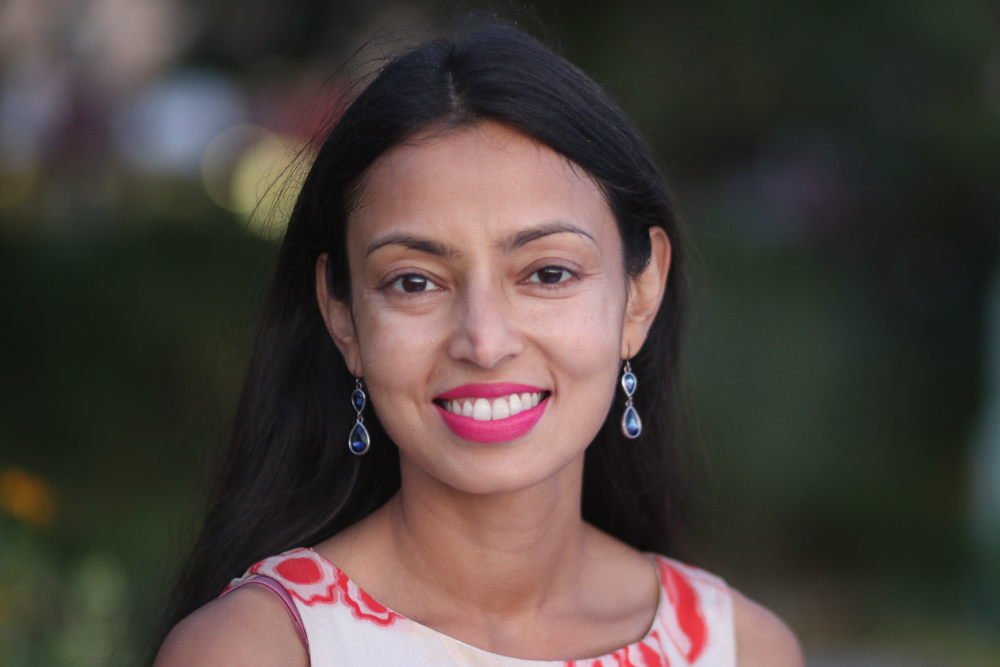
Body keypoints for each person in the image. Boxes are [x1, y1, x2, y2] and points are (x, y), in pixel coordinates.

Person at [153, 22, 804, 667]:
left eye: (548, 273)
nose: (485, 342)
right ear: (343, 314)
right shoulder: (258, 651)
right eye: (414, 282)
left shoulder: (743, 650)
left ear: (640, 294)